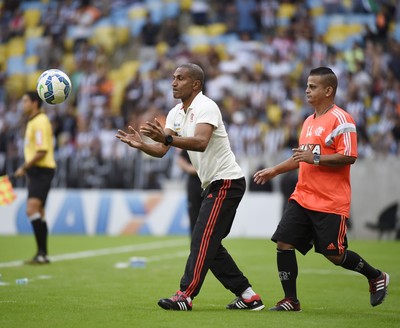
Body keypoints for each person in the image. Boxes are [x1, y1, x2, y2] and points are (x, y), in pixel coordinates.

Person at [116, 63, 264, 311]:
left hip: (227, 181)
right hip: (213, 184)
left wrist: (167, 138)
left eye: (180, 78)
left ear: (196, 84)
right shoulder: (176, 113)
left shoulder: (206, 106)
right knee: (210, 244)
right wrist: (142, 145)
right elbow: (163, 150)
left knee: (201, 239)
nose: (173, 82)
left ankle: (185, 294)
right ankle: (248, 296)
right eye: (173, 78)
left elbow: (201, 142)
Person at [253, 67, 389, 311]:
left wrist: (314, 159)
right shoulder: (308, 121)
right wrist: (274, 170)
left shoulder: (342, 119)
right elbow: (301, 157)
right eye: (307, 85)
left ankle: (375, 275)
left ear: (328, 90)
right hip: (303, 195)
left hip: (330, 201)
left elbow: (349, 156)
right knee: (283, 242)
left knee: (335, 255)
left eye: (313, 86)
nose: (307, 90)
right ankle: (291, 300)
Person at [14, 91, 56, 264]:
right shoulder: (35, 121)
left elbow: (41, 151)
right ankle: (42, 254)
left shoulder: (39, 122)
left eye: (25, 100)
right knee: (39, 212)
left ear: (35, 103)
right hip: (38, 171)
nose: (22, 104)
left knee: (31, 210)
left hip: (40, 170)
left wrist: (24, 167)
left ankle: (41, 253)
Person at [176, 149, 202, 236]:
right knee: (194, 215)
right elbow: (180, 160)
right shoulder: (191, 142)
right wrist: (190, 168)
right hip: (194, 183)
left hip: (209, 182)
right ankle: (195, 245)